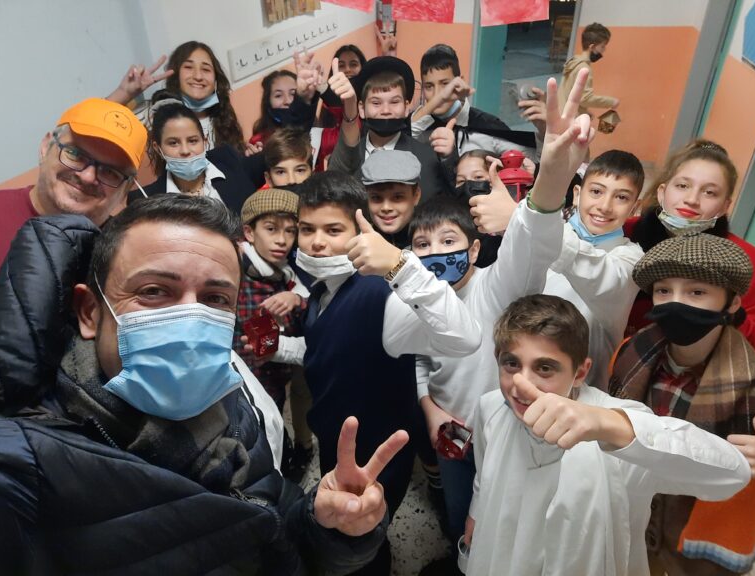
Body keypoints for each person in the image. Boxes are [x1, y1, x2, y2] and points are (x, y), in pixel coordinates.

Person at [0, 195, 408, 574]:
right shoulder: (21, 471)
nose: (190, 322)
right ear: (89, 311)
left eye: (215, 299)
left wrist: (326, 525)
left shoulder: (233, 407)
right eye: (155, 291)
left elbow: (274, 530)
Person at [269, 170, 482, 573]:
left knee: (362, 536)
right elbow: (325, 351)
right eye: (307, 229)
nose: (316, 242)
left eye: (333, 230)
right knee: (345, 531)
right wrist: (276, 348)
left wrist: (401, 266)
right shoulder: (322, 289)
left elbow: (466, 337)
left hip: (375, 453)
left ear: (360, 231)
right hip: (335, 437)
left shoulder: (384, 298)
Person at [464, 293, 750, 576]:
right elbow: (485, 473)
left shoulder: (617, 428)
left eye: (545, 368)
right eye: (512, 363)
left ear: (580, 373)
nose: (521, 383)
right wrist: (476, 514)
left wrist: (609, 425)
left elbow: (732, 474)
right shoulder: (492, 407)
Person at [412, 154, 565, 562]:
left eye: (448, 242)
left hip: (505, 438)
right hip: (451, 435)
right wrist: (430, 409)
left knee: (496, 524)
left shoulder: (497, 287)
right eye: (423, 245)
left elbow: (530, 251)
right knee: (458, 515)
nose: (435, 253)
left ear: (475, 248)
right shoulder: (421, 299)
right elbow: (420, 360)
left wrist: (529, 207)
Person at [609, 232, 755, 575]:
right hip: (631, 521)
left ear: (732, 303)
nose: (676, 304)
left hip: (701, 543)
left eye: (697, 292)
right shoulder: (629, 354)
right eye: (664, 291)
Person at [470, 128, 645, 389]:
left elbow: (599, 273)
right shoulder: (548, 229)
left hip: (577, 394)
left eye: (621, 197)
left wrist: (522, 219)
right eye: (596, 192)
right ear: (577, 193)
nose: (605, 206)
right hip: (514, 378)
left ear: (635, 208)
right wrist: (524, 224)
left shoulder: (631, 259)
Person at [625, 139, 755, 356]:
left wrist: (729, 314)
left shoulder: (752, 262)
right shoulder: (624, 233)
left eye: (710, 192)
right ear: (662, 192)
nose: (692, 199)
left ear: (725, 206)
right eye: (682, 186)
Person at [0, 97, 146, 269]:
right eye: (75, 154)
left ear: (126, 188)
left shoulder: (129, 253)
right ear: (46, 147)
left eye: (110, 172)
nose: (87, 177)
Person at [328, 55, 456, 203]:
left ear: (406, 107)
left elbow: (449, 205)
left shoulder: (429, 159)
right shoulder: (348, 157)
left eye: (394, 102)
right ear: (361, 109)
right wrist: (349, 105)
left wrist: (449, 158)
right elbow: (332, 192)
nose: (386, 110)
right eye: (376, 103)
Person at [233, 188, 307, 411]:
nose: (282, 240)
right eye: (271, 229)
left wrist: (296, 299)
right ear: (249, 233)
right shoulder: (241, 275)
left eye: (290, 231)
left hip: (274, 383)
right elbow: (262, 343)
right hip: (248, 385)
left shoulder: (283, 273)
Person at [109, 41, 248, 154]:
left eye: (206, 69)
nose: (198, 76)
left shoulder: (224, 119)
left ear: (216, 81)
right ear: (176, 76)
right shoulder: (156, 113)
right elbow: (103, 123)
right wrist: (124, 92)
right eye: (188, 67)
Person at [132, 98, 265, 213]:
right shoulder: (146, 199)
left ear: (204, 141)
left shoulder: (229, 161)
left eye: (193, 141)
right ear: (158, 148)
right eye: (173, 143)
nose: (185, 150)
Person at [412, 44, 539, 160]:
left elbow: (530, 161)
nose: (438, 95)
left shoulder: (488, 126)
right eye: (429, 86)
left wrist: (545, 129)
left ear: (460, 81)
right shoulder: (419, 127)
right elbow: (404, 137)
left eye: (445, 84)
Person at [316, 44, 368, 171]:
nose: (347, 70)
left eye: (353, 64)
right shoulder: (327, 103)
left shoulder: (371, 100)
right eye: (341, 66)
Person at [361, 149, 422, 248]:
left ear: (416, 196)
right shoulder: (358, 241)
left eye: (397, 197)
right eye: (376, 198)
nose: (386, 207)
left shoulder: (433, 242)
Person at [558, 22, 619, 118]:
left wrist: (584, 110)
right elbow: (585, 99)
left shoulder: (574, 62)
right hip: (570, 119)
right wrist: (611, 102)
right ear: (592, 47)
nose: (604, 50)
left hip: (561, 113)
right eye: (602, 46)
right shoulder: (584, 68)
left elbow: (569, 92)